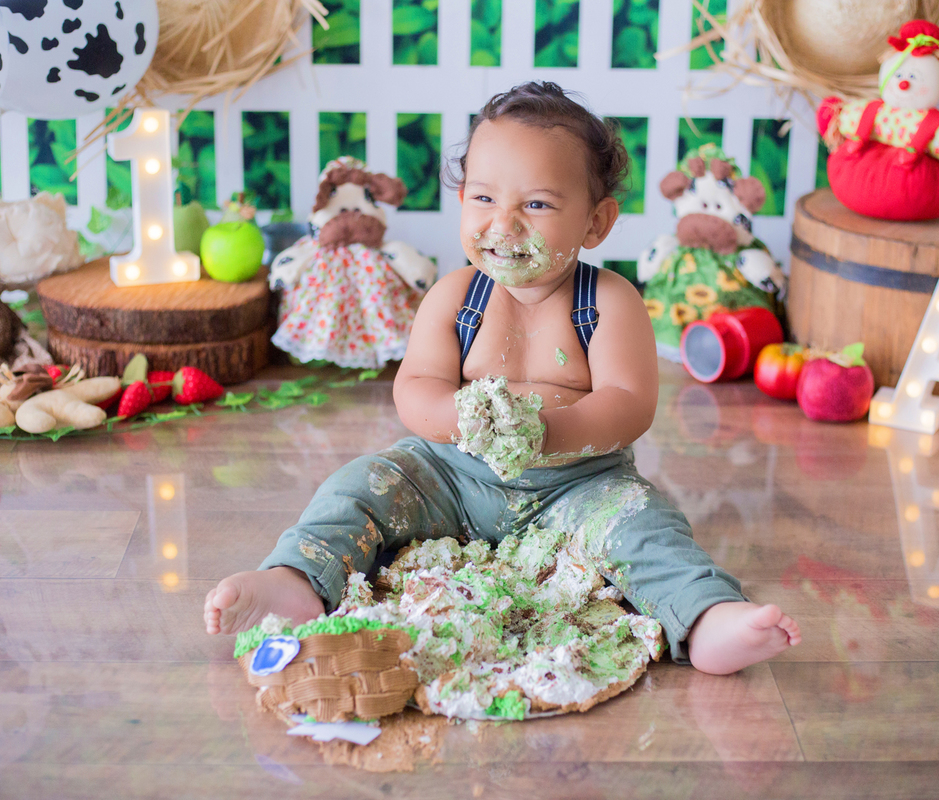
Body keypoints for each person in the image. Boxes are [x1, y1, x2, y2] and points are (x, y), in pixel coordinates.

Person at [204, 82, 800, 675]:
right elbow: (416, 387)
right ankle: (297, 580)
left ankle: (705, 615)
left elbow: (629, 404)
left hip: (577, 487)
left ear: (596, 222)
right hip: (451, 477)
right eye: (483, 198)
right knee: (359, 486)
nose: (504, 224)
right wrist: (459, 419)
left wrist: (545, 433)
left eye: (536, 205)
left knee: (646, 525)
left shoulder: (610, 302)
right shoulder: (454, 296)